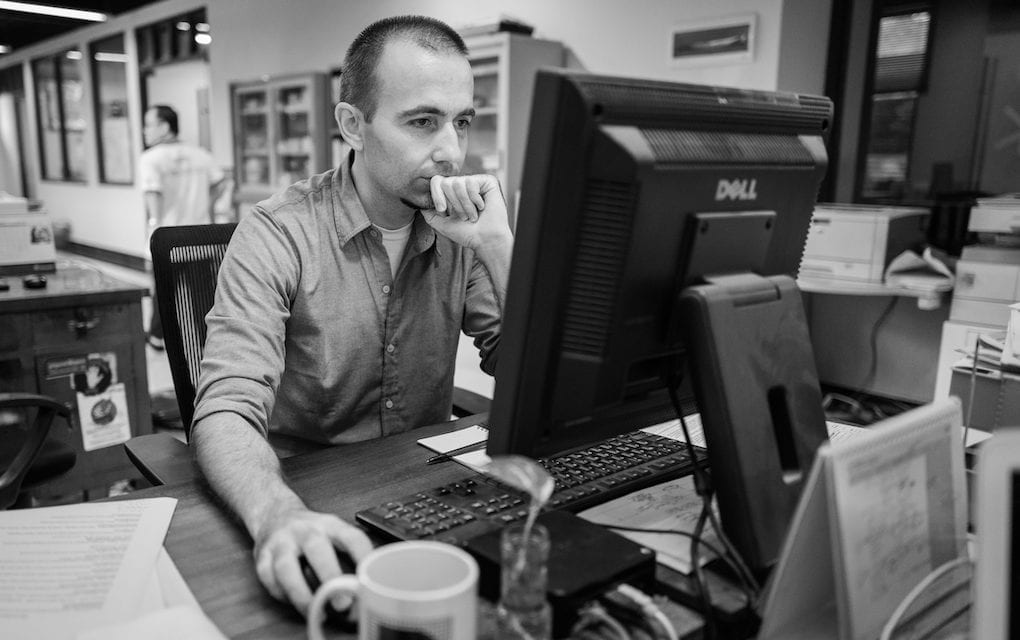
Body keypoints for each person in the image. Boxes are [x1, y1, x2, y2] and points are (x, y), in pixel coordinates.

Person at [190, 15, 513, 617]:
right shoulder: (278, 233)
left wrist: (498, 248)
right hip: (306, 499)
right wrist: (276, 515)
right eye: (422, 122)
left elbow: (525, 371)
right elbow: (225, 407)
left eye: (462, 122)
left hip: (425, 497)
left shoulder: (464, 229)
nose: (450, 151)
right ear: (352, 126)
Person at [138, 104, 226, 349]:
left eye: (148, 124)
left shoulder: (150, 158)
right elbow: (220, 183)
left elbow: (153, 198)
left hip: (167, 238)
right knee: (202, 295)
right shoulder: (200, 154)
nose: (145, 131)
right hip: (199, 237)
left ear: (164, 127)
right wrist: (206, 207)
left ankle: (157, 337)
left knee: (164, 292)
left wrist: (150, 239)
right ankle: (207, 343)